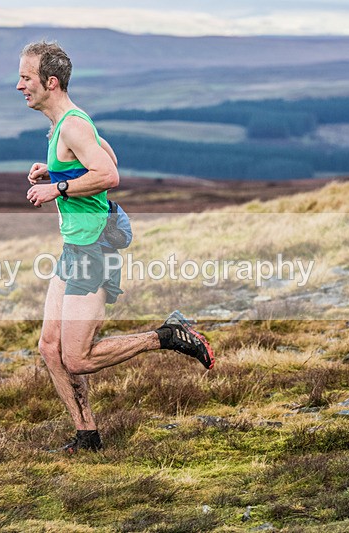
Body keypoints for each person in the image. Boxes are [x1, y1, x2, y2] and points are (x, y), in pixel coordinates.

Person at [16, 41, 214, 453]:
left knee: (77, 357)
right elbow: (109, 156)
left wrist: (57, 188)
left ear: (50, 82)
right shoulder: (64, 125)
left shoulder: (72, 125)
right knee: (50, 347)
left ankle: (166, 336)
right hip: (75, 248)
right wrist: (54, 171)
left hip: (93, 249)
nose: (19, 86)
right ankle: (87, 435)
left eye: (25, 77)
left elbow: (109, 174)